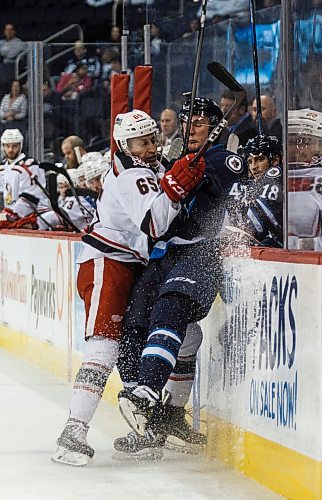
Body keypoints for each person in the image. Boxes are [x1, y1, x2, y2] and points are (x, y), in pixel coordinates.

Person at [52, 109, 205, 466]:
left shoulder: (148, 167)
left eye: (153, 139)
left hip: (133, 266)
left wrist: (176, 179)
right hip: (109, 262)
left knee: (188, 335)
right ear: (125, 145)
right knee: (105, 346)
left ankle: (161, 419)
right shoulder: (133, 174)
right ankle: (74, 429)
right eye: (142, 142)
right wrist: (176, 188)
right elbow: (155, 223)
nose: (151, 147)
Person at [114, 97, 247, 458]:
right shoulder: (175, 162)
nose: (190, 128)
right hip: (170, 254)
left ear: (217, 128)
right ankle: (161, 421)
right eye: (187, 122)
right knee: (134, 325)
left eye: (200, 122)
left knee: (171, 310)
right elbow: (160, 219)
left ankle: (146, 393)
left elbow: (234, 198)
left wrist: (195, 172)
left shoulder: (223, 159)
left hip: (205, 252)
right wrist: (172, 181)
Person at [288, 108, 322, 251]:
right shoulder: (275, 175)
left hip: (320, 264)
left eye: (305, 141)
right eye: (292, 141)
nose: (298, 149)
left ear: (321, 145)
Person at [232, 134, 283, 247]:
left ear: (275, 161)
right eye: (250, 162)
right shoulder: (251, 185)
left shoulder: (278, 176)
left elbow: (252, 227)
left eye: (260, 160)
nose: (254, 167)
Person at [0, 128, 49, 225]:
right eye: (7, 146)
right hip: (11, 216)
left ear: (20, 145)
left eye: (15, 146)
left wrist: (13, 214)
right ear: (2, 146)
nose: (10, 150)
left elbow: (32, 196)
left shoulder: (30, 165)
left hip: (35, 218)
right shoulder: (3, 167)